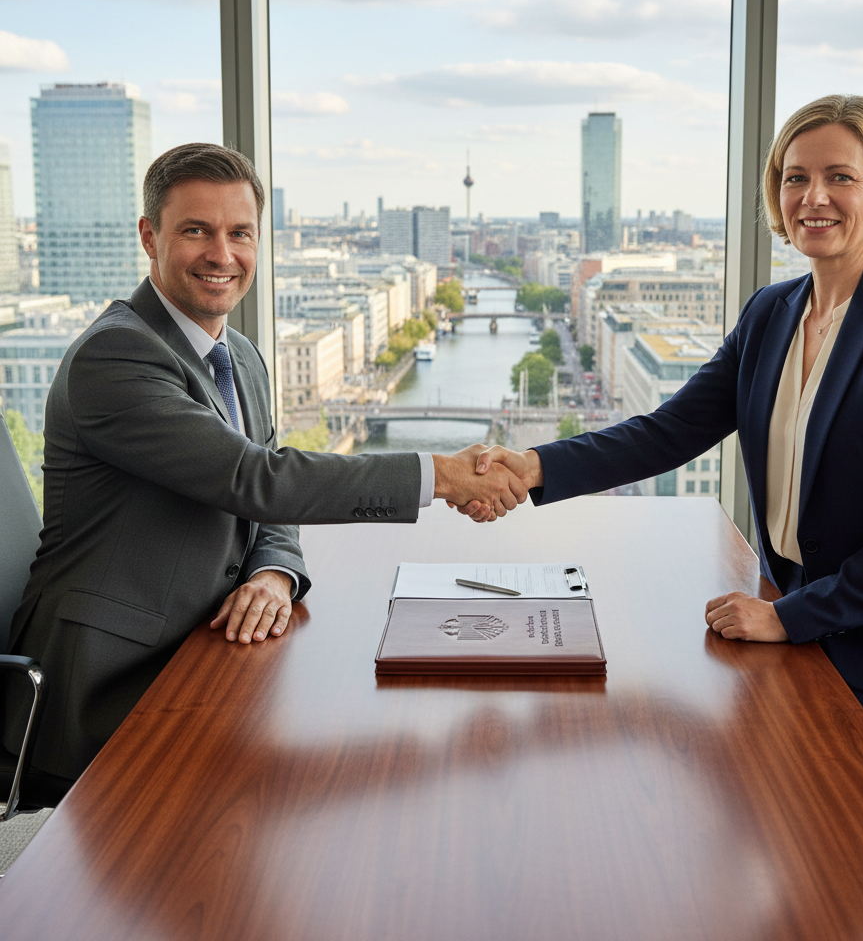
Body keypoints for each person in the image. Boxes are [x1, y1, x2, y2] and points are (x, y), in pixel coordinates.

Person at [472, 95, 863, 762]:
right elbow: (670, 431)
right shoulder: (772, 312)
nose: (814, 196)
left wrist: (788, 617)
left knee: (764, 772)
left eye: (840, 176)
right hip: (806, 623)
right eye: (795, 177)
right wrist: (534, 467)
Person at [4, 142, 526, 782]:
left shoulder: (241, 356)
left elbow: (269, 496)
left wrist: (275, 571)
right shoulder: (114, 360)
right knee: (316, 780)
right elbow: (258, 482)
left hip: (208, 647)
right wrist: (443, 475)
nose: (222, 255)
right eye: (196, 231)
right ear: (149, 236)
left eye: (240, 233)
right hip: (110, 683)